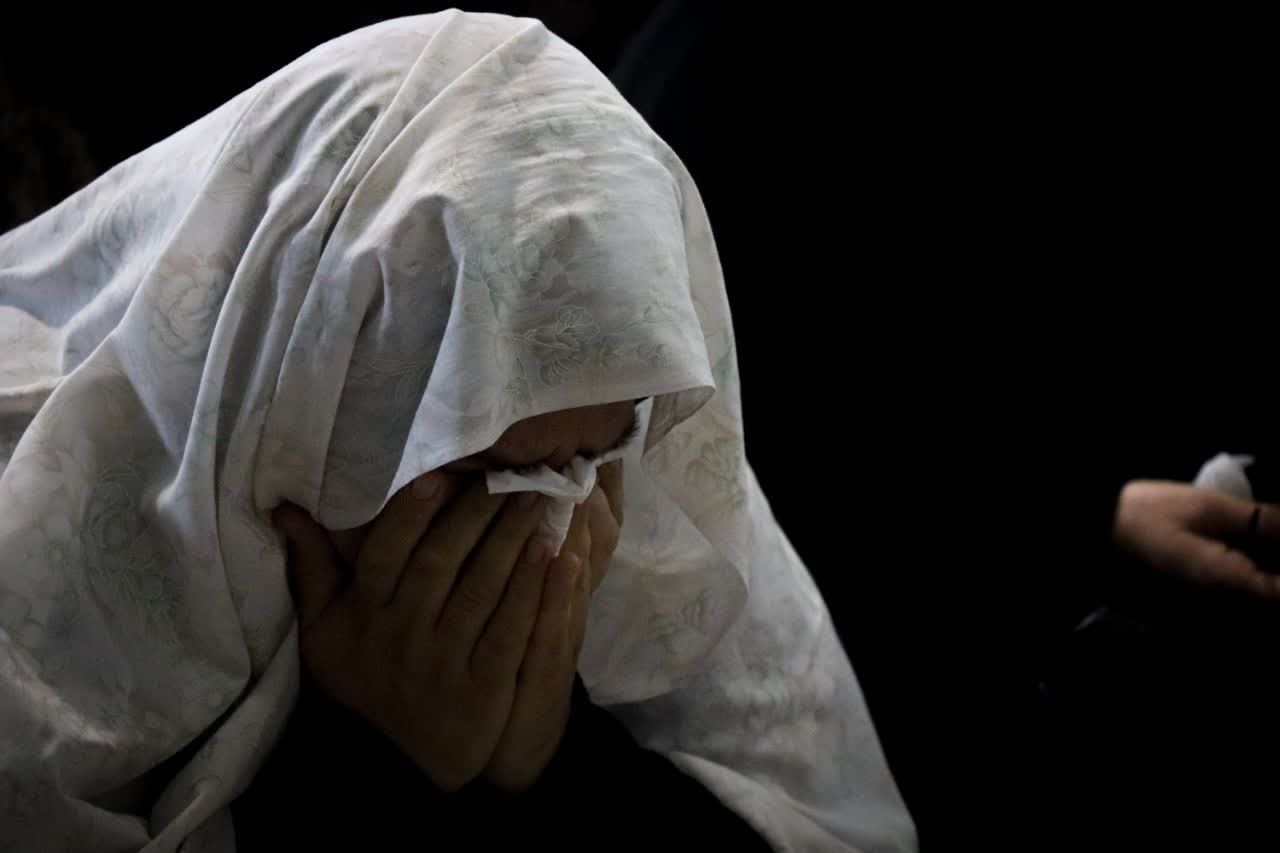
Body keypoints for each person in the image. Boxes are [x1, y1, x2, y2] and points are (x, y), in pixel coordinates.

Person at [0, 11, 916, 852]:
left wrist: (546, 760)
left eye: (590, 462)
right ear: (290, 382)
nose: (545, 541)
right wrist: (367, 765)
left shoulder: (664, 519)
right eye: (472, 476)